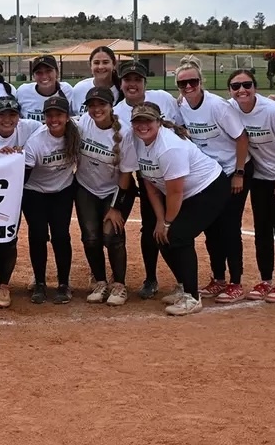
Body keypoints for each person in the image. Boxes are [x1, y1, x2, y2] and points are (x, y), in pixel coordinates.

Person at [130, 102, 231, 316]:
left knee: (176, 235)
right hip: (184, 193)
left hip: (209, 188)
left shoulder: (169, 147)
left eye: (148, 121)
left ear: (158, 122)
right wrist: (159, 221)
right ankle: (185, 286)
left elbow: (175, 193)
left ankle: (192, 297)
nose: (142, 126)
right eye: (137, 121)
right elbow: (151, 185)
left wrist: (167, 223)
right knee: (160, 237)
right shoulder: (138, 142)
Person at [173, 56, 251, 303]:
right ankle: (218, 279)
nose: (188, 87)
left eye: (192, 82)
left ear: (201, 81)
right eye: (182, 84)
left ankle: (235, 282)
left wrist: (239, 173)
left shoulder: (218, 106)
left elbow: (242, 138)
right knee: (211, 229)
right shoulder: (182, 105)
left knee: (229, 228)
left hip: (231, 172)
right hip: (209, 177)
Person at [226, 70, 275, 303]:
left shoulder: (271, 111)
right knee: (262, 228)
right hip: (261, 176)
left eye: (247, 84)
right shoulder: (230, 107)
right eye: (235, 86)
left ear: (255, 87)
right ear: (230, 90)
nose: (242, 90)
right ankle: (265, 279)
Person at [112, 60, 182, 300]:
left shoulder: (163, 98)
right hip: (147, 176)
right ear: (120, 84)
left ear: (144, 82)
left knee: (178, 227)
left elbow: (181, 125)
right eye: (127, 80)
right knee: (151, 226)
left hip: (174, 172)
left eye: (137, 80)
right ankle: (151, 278)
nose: (133, 84)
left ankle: (185, 280)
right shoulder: (118, 112)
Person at [0, 95, 42, 307]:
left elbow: (46, 135)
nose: (7, 119)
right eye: (2, 114)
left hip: (15, 192)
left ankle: (4, 284)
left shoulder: (31, 127)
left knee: (8, 238)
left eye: (12, 114)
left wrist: (23, 152)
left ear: (18, 116)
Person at [75, 87, 138, 306]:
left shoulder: (125, 133)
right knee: (91, 238)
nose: (96, 109)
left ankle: (119, 284)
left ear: (111, 106)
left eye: (101, 104)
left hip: (115, 190)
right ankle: (100, 281)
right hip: (86, 187)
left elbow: (126, 174)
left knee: (112, 236)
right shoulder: (84, 122)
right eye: (92, 105)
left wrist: (116, 207)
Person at [23, 96, 79, 304]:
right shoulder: (36, 141)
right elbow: (25, 175)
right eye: (50, 115)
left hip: (62, 190)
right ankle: (39, 283)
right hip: (35, 192)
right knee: (38, 235)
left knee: (61, 236)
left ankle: (63, 283)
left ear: (67, 117)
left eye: (59, 115)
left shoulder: (76, 133)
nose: (54, 119)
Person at [16, 55, 74, 122]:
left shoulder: (66, 90)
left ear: (57, 72)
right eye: (39, 72)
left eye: (48, 71)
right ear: (33, 76)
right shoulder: (23, 91)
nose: (44, 76)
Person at [71, 46, 122, 114]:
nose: (101, 67)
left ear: (114, 64)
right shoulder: (79, 89)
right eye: (96, 63)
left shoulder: (122, 89)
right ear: (90, 65)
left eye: (105, 62)